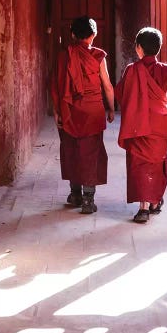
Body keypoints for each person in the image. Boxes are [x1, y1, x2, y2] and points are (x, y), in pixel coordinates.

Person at [115, 26, 167, 224]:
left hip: (138, 123)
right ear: (158, 49)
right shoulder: (165, 71)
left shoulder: (132, 70)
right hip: (160, 123)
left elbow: (123, 96)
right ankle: (154, 201)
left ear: (138, 49)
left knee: (139, 164)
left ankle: (143, 207)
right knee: (156, 162)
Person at [50, 16, 115, 214]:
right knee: (90, 151)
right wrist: (111, 108)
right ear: (94, 35)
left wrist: (56, 111)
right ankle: (88, 199)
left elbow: (56, 86)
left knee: (71, 149)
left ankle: (75, 193)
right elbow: (107, 86)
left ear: (72, 34)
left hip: (70, 109)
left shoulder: (63, 56)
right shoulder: (98, 56)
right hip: (93, 111)